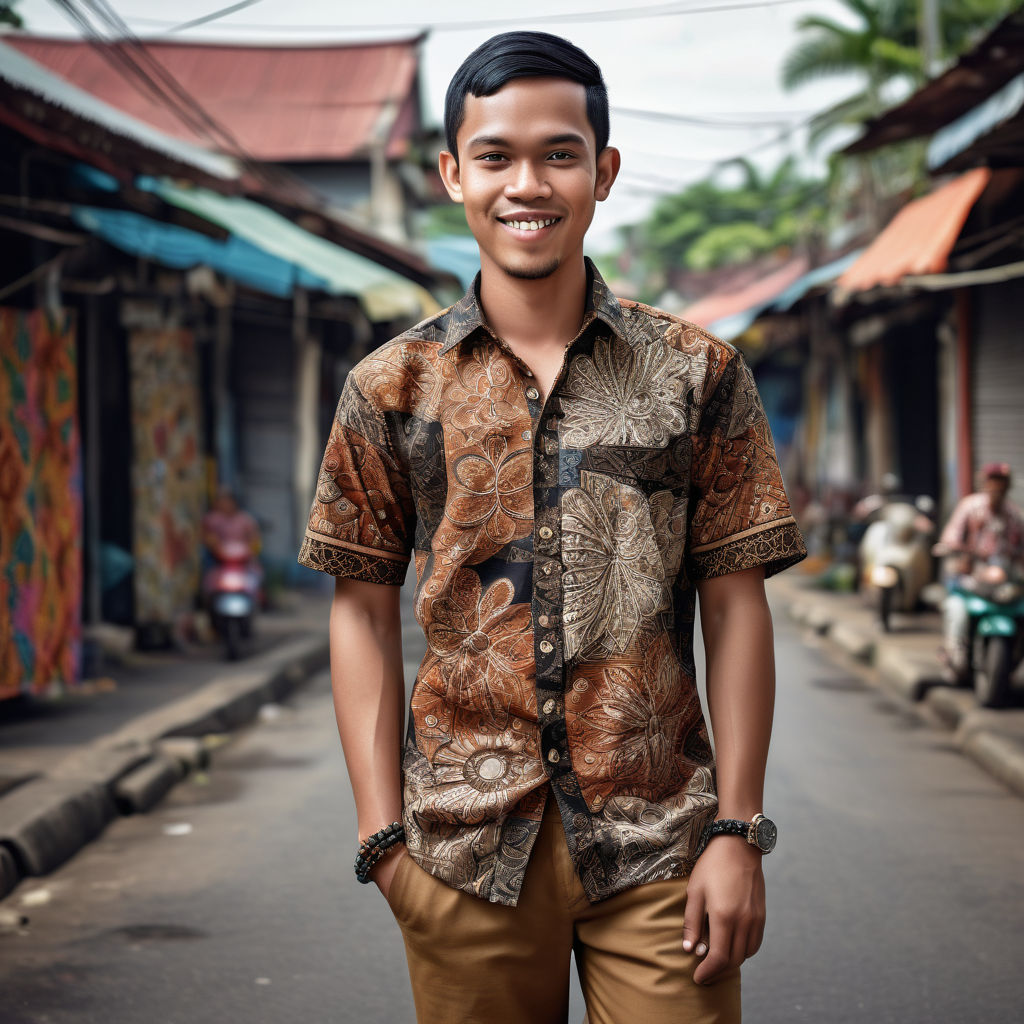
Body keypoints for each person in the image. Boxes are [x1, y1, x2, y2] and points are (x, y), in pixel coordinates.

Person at [298, 31, 807, 1024]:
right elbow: (359, 609)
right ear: (452, 172)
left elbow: (735, 602)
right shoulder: (391, 386)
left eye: (558, 154)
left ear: (602, 171)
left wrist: (738, 830)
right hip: (458, 855)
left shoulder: (696, 372)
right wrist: (382, 845)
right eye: (494, 156)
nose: (525, 183)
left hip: (663, 847)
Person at [933, 462, 1024, 681]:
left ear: (1007, 485)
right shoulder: (969, 507)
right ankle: (955, 654)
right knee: (956, 609)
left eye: (1001, 482)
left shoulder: (1015, 515)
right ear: (985, 483)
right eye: (992, 481)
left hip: (1003, 582)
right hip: (971, 578)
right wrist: (956, 550)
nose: (996, 487)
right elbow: (951, 536)